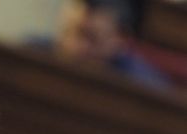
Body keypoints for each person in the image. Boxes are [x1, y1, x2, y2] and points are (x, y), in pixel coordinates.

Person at [33, 0, 169, 89]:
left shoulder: (145, 89)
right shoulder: (33, 55)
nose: (75, 47)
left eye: (90, 39)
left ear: (122, 39)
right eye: (69, 33)